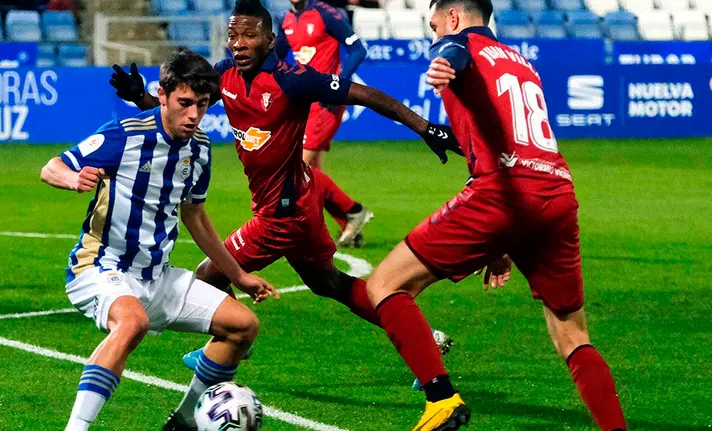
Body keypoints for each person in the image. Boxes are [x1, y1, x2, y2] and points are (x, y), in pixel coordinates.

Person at [110, 0, 461, 403]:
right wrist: (141, 99)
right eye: (233, 36)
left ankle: (230, 347)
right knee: (329, 283)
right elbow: (181, 110)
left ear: (270, 39)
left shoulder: (292, 80)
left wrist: (426, 127)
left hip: (279, 215)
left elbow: (366, 96)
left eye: (249, 35)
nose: (239, 44)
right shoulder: (223, 76)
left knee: (209, 275)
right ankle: (423, 343)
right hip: (301, 204)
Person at [365, 1, 628, 430]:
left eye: (434, 26)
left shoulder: (456, 45)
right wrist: (500, 244)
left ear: (451, 18)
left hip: (502, 193)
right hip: (556, 192)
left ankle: (441, 401)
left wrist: (444, 62)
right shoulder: (522, 62)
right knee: (573, 335)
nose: (434, 36)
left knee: (385, 285)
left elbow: (457, 51)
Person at [41, 49, 278, 431]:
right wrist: (71, 179)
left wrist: (238, 275)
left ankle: (183, 422)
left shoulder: (200, 148)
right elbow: (51, 167)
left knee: (243, 325)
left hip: (157, 276)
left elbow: (195, 215)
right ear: (162, 94)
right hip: (100, 267)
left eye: (202, 105)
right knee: (131, 323)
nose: (194, 115)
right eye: (185, 103)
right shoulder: (125, 135)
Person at [276, 0, 372, 248]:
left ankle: (305, 229)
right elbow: (274, 56)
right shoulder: (286, 20)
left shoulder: (325, 14)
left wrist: (337, 83)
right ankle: (349, 219)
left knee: (299, 168)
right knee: (312, 172)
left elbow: (358, 49)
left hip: (325, 102)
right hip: (305, 102)